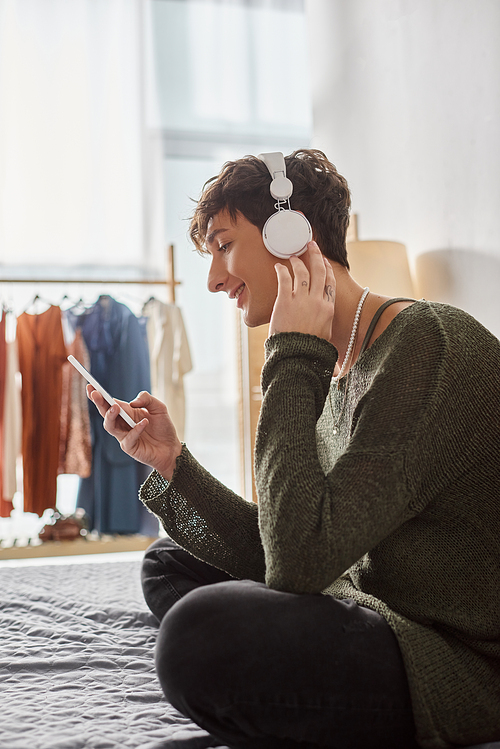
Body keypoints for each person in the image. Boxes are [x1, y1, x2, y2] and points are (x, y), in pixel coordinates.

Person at [88, 149, 500, 749]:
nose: (213, 279)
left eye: (225, 245)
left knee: (195, 635)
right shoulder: (337, 364)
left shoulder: (426, 347)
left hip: (452, 660)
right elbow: (300, 537)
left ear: (292, 234)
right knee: (167, 563)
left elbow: (298, 563)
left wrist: (290, 353)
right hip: (362, 594)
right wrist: (171, 463)